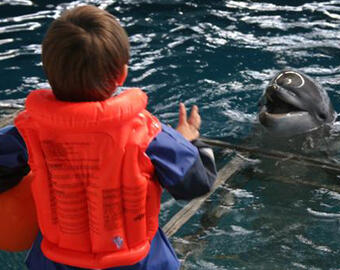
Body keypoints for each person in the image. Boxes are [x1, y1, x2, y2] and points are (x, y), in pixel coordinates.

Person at [1, 5, 217, 270]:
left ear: (48, 71)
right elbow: (196, 184)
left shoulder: (27, 132)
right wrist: (189, 141)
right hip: (139, 264)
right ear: (121, 74)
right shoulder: (148, 134)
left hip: (55, 263)